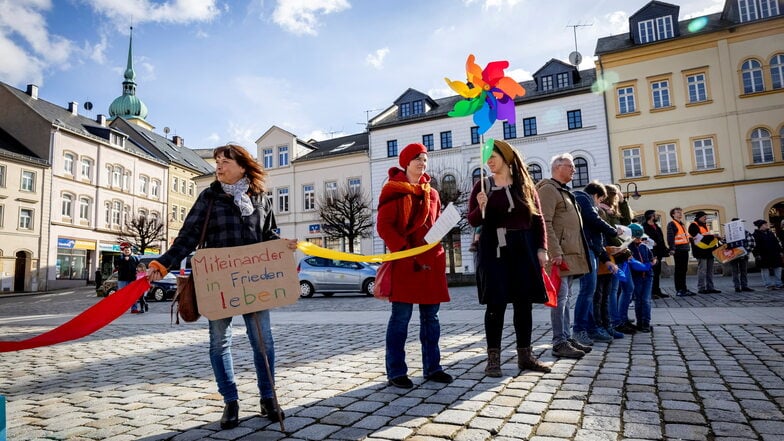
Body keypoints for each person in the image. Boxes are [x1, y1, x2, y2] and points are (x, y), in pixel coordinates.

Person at [146, 144, 297, 430]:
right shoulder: (209, 197)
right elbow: (188, 236)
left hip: (255, 281)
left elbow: (269, 234)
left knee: (263, 343)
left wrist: (282, 244)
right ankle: (230, 401)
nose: (219, 165)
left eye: (225, 161)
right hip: (218, 283)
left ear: (242, 165)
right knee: (219, 342)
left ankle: (268, 398)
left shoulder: (260, 198)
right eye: (217, 161)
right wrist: (162, 264)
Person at [468, 140, 551, 377]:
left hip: (523, 248)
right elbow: (473, 220)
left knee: (523, 304)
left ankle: (525, 356)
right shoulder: (482, 186)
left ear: (506, 157)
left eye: (493, 156)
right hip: (494, 249)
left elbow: (538, 220)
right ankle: (493, 358)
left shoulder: (524, 186)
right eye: (487, 157)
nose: (489, 161)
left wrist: (541, 248)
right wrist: (480, 207)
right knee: (496, 304)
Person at [376, 143, 453, 389]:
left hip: (432, 261)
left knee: (432, 319)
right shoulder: (393, 190)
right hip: (406, 262)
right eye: (417, 159)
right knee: (401, 319)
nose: (422, 163)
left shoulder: (433, 194)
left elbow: (435, 222)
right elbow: (384, 226)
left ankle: (433, 367)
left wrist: (442, 229)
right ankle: (396, 371)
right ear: (406, 163)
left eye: (425, 159)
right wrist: (403, 250)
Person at [536, 153, 592, 359]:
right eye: (571, 166)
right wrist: (555, 251)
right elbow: (545, 222)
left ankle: (566, 337)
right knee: (560, 299)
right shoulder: (549, 190)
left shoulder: (564, 191)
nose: (574, 170)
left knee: (566, 298)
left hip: (570, 253)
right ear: (558, 167)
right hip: (559, 255)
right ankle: (559, 342)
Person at [572, 182, 622, 344]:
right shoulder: (583, 198)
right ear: (596, 196)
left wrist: (607, 260)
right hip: (586, 251)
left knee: (590, 293)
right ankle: (580, 330)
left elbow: (596, 241)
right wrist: (613, 230)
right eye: (599, 200)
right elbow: (593, 219)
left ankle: (592, 329)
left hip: (591, 250)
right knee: (587, 292)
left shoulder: (584, 200)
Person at [628, 223, 655, 332]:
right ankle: (640, 322)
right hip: (636, 277)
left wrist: (652, 263)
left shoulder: (644, 247)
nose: (639, 240)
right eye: (636, 237)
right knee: (638, 300)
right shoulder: (628, 247)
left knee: (646, 300)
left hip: (648, 276)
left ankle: (646, 323)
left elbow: (651, 259)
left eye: (639, 237)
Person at [689, 211, 721, 294]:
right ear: (699, 217)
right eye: (704, 217)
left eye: (706, 217)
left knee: (710, 270)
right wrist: (712, 236)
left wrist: (716, 238)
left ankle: (710, 287)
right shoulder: (693, 225)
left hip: (709, 251)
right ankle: (701, 288)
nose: (706, 219)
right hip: (700, 251)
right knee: (702, 270)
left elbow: (705, 236)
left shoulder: (705, 225)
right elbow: (699, 237)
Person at [666, 207, 695, 297]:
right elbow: (670, 237)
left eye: (680, 212)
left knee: (683, 270)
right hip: (678, 250)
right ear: (673, 215)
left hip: (684, 249)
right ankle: (679, 289)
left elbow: (685, 236)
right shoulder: (672, 224)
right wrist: (672, 249)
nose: (680, 214)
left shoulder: (681, 224)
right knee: (679, 270)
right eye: (677, 212)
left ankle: (684, 288)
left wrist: (691, 239)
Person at [643, 210, 670, 299]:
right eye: (655, 215)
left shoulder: (656, 226)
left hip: (659, 252)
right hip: (651, 252)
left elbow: (661, 239)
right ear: (651, 216)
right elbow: (644, 240)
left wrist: (665, 249)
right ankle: (651, 292)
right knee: (652, 272)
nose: (656, 216)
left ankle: (657, 291)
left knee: (657, 272)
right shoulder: (644, 227)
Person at [752, 219, 784, 289]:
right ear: (761, 226)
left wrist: (780, 251)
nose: (767, 225)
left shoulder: (770, 233)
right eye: (765, 224)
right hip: (763, 255)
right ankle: (768, 284)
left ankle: (779, 283)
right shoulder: (755, 235)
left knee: (778, 268)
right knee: (765, 269)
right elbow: (754, 246)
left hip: (774, 254)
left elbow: (776, 243)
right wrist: (757, 255)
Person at [727, 218, 755, 293]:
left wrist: (745, 252)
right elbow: (724, 245)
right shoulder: (729, 233)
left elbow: (751, 243)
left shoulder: (745, 232)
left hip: (743, 255)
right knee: (735, 271)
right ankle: (737, 287)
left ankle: (744, 286)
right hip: (733, 256)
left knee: (743, 271)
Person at [114, 244, 139, 311]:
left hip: (132, 279)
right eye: (125, 250)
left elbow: (139, 266)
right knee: (122, 295)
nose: (127, 251)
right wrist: (123, 260)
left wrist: (130, 258)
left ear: (131, 251)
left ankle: (134, 308)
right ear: (123, 251)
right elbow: (116, 265)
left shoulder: (134, 258)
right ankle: (120, 309)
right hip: (122, 279)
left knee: (133, 294)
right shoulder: (120, 258)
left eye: (128, 250)